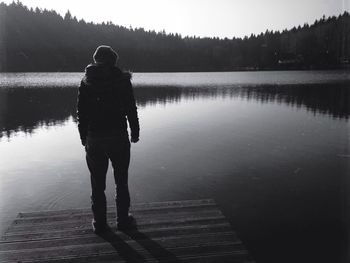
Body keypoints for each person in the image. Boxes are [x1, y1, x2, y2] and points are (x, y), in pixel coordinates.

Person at [76, 45, 139, 233]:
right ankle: (123, 221)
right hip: (118, 136)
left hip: (94, 137)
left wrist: (83, 137)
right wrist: (135, 131)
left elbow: (81, 112)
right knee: (121, 180)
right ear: (113, 61)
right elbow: (130, 108)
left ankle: (100, 223)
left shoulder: (86, 81)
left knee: (97, 183)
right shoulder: (122, 80)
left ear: (96, 60)